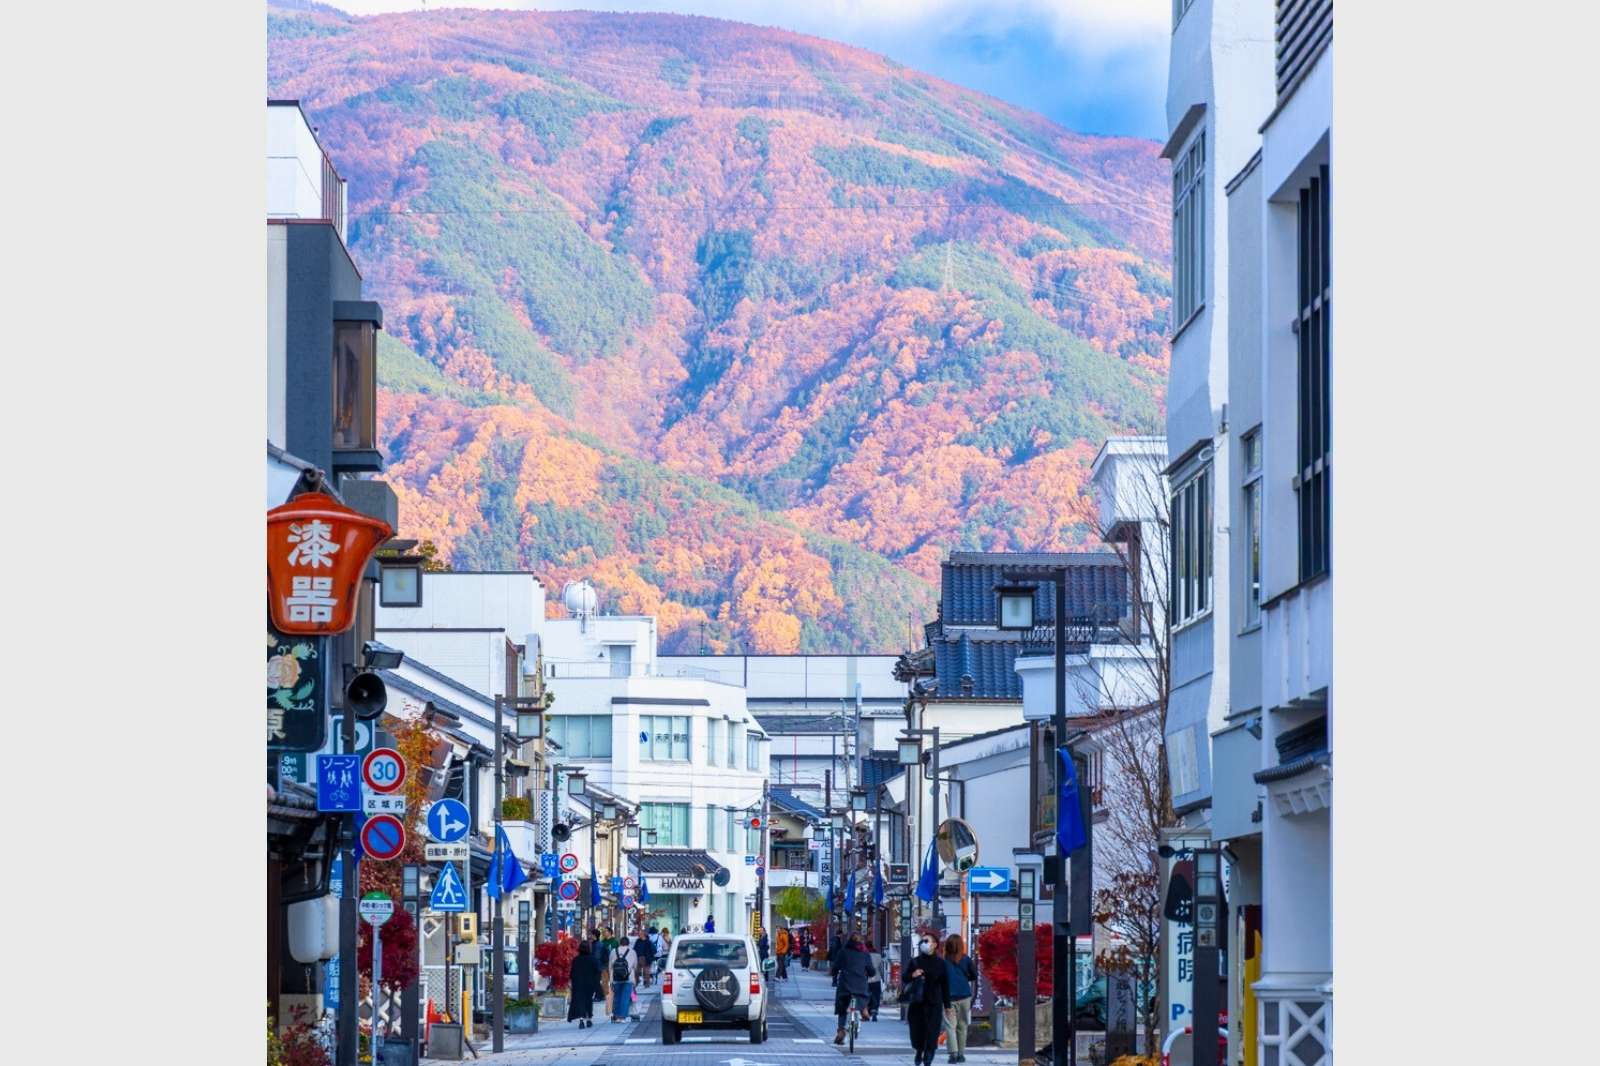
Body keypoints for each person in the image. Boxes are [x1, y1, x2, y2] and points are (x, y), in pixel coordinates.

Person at [905, 936, 950, 1066]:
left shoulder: (941, 963)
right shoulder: (915, 962)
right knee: (917, 1029)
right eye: (922, 941)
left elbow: (945, 984)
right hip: (917, 1002)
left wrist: (947, 1006)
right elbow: (905, 978)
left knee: (932, 1029)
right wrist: (913, 975)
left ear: (935, 944)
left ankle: (929, 1053)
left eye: (926, 941)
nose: (923, 944)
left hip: (934, 1001)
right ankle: (919, 1051)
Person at [830, 932, 875, 1044]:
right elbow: (871, 971)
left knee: (842, 1005)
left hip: (845, 984)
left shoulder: (843, 952)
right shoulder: (865, 954)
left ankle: (841, 1030)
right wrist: (869, 973)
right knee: (864, 994)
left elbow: (835, 967)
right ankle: (864, 1009)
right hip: (860, 984)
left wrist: (834, 973)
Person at [942, 935, 977, 1064]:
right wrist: (964, 978)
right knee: (962, 1026)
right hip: (964, 996)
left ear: (947, 946)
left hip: (948, 997)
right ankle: (961, 1054)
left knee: (950, 1026)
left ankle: (953, 1055)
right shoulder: (966, 960)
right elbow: (974, 975)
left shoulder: (943, 962)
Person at [567, 940, 602, 1028]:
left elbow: (572, 973)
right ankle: (589, 1019)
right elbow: (597, 972)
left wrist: (571, 983)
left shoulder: (576, 960)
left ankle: (581, 1020)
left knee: (580, 1001)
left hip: (578, 984)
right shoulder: (593, 959)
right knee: (588, 1001)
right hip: (590, 984)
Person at [610, 935, 637, 1022]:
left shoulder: (614, 951)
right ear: (628, 943)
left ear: (620, 943)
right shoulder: (632, 952)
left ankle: (616, 1016)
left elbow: (610, 966)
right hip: (628, 978)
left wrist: (610, 980)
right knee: (626, 997)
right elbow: (635, 966)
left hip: (615, 978)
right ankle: (623, 1017)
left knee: (617, 997)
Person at [866, 941, 884, 1021]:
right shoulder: (878, 956)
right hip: (876, 979)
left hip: (866, 979)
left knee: (867, 995)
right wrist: (883, 977)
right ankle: (874, 1011)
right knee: (876, 995)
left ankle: (868, 1011)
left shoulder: (864, 955)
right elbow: (881, 968)